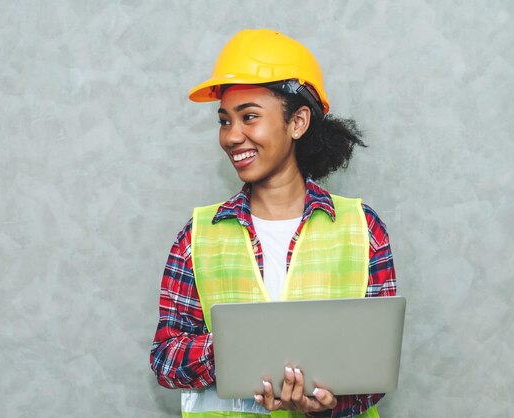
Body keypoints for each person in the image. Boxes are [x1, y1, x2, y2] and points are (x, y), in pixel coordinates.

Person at [150, 29, 396, 418]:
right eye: (224, 120)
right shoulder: (198, 235)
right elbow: (165, 359)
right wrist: (238, 347)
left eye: (249, 117)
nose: (232, 136)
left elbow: (376, 368)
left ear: (297, 122)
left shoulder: (363, 229)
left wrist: (327, 406)